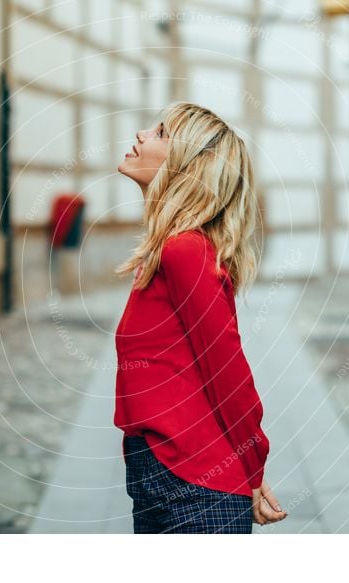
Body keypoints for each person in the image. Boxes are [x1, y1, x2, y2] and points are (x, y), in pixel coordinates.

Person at [113, 101, 288, 533]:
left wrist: (253, 466)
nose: (141, 135)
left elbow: (227, 370)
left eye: (159, 132)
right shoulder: (167, 250)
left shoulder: (185, 251)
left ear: (187, 166)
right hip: (162, 469)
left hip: (196, 485)